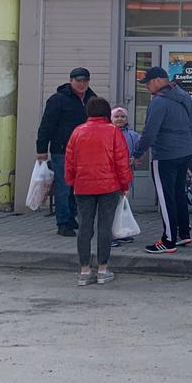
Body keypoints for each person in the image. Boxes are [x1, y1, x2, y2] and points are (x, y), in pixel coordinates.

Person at [65, 97, 133, 287]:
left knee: (84, 227)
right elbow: (121, 161)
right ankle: (103, 269)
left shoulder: (78, 131)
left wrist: (72, 181)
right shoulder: (113, 131)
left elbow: (69, 161)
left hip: (83, 186)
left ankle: (84, 271)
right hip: (109, 187)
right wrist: (125, 185)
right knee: (105, 227)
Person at [132, 66, 192, 254]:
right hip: (184, 152)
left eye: (148, 83)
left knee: (166, 198)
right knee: (178, 193)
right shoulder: (183, 96)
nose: (147, 87)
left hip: (165, 155)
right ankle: (183, 233)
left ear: (159, 80)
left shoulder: (159, 102)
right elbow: (190, 123)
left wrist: (137, 153)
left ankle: (168, 240)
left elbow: (150, 131)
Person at [35, 66, 96, 237]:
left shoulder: (92, 99)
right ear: (71, 81)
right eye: (78, 81)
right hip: (62, 150)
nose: (82, 84)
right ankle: (63, 223)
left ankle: (70, 216)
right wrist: (41, 149)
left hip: (84, 152)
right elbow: (47, 125)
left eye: (85, 81)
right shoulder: (58, 100)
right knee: (63, 187)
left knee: (78, 187)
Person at [110, 107, 140, 248]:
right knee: (112, 205)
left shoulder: (132, 134)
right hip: (112, 175)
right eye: (117, 116)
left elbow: (139, 148)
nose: (120, 119)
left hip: (126, 174)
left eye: (122, 117)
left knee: (123, 205)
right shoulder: (109, 133)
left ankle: (121, 231)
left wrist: (135, 158)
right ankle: (110, 234)